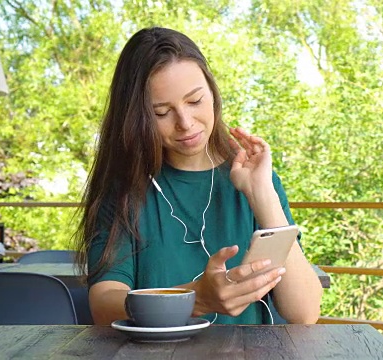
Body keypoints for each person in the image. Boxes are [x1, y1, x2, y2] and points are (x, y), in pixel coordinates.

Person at [74, 27, 323, 326]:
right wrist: (195, 298)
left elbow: (305, 314)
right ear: (137, 118)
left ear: (212, 91)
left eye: (195, 101)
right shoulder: (124, 191)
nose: (186, 123)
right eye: (162, 112)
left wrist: (263, 196)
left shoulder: (256, 181)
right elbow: (103, 303)